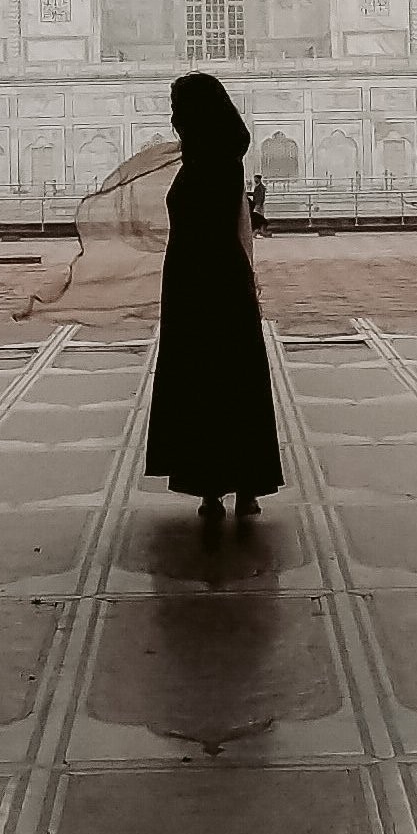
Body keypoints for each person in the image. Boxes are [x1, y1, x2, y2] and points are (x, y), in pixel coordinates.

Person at [145, 70, 284, 519]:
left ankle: (213, 485)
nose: (173, 119)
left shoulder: (209, 160)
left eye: (178, 109)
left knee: (206, 378)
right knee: (231, 376)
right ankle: (243, 485)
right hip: (214, 279)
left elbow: (209, 216)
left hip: (202, 282)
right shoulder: (219, 156)